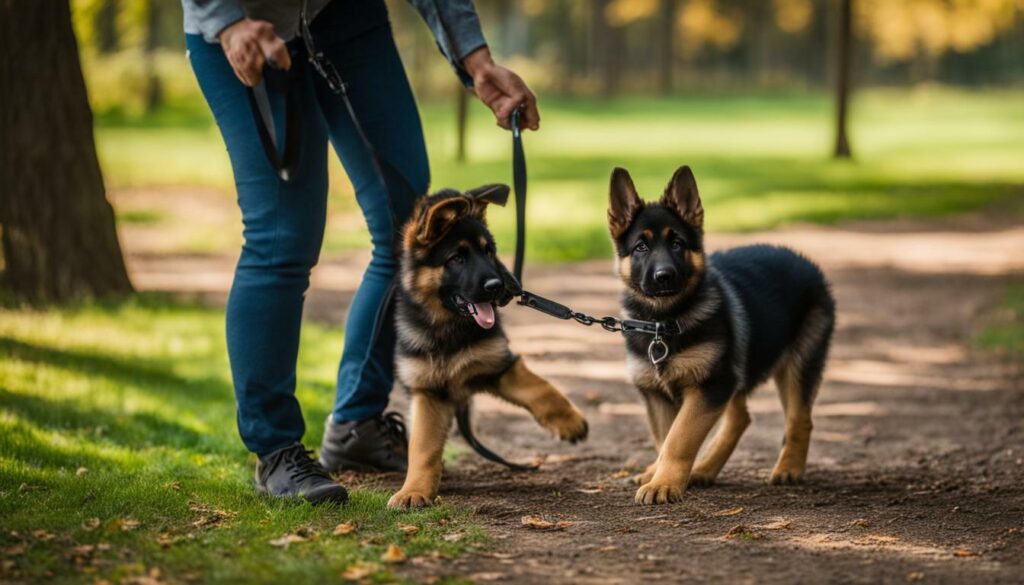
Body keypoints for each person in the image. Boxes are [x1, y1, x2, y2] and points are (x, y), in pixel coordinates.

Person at [182, 0, 540, 504]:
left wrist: (477, 61)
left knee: (409, 227)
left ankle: (357, 425)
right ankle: (276, 449)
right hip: (245, 28)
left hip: (345, 17)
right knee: (282, 236)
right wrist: (225, 20)